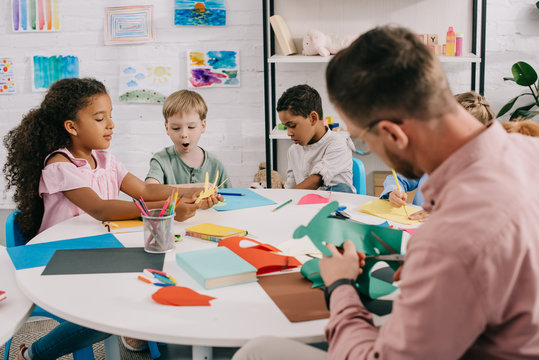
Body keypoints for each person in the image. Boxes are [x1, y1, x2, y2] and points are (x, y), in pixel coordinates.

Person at [233, 26, 539, 359]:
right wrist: (426, 269)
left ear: (393, 135)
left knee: (257, 351)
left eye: (363, 138)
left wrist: (340, 286)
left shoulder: (450, 240)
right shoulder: (528, 150)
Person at [3, 78, 221, 359]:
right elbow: (101, 209)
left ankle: (151, 337)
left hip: (99, 251)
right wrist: (168, 206)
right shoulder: (60, 165)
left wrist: (195, 190)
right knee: (109, 312)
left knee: (162, 277)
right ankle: (33, 354)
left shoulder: (106, 160)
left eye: (110, 116)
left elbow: (143, 189)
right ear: (72, 126)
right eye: (99, 118)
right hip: (61, 259)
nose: (110, 124)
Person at [380, 91, 495, 222]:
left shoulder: (484, 174)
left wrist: (442, 214)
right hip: (414, 228)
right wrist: (395, 191)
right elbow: (399, 178)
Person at [145, 89, 230, 189]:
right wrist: (193, 188)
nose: (184, 134)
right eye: (176, 128)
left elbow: (230, 199)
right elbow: (150, 189)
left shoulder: (215, 164)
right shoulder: (161, 160)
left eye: (191, 127)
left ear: (203, 126)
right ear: (167, 128)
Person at [277, 84, 354, 193]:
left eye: (292, 125)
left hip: (337, 205)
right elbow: (290, 187)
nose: (289, 133)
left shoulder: (338, 143)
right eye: (286, 127)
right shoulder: (293, 151)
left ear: (313, 118)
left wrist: (286, 196)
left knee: (342, 189)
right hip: (307, 206)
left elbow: (316, 181)